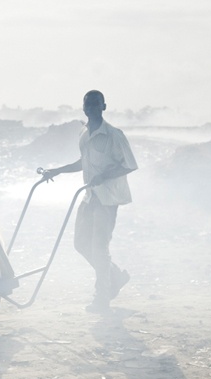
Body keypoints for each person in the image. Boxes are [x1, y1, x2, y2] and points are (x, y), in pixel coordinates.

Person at [40, 90, 138, 313]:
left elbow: (130, 164)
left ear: (104, 107)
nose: (92, 108)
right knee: (80, 244)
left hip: (107, 198)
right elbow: (83, 162)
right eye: (88, 105)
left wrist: (105, 175)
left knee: (99, 248)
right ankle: (115, 275)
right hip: (90, 196)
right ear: (83, 108)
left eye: (96, 104)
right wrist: (57, 171)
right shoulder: (84, 133)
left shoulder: (114, 135)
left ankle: (102, 297)